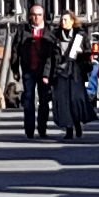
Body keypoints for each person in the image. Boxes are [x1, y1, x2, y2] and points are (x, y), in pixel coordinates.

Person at [15, 9, 58, 137]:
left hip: (44, 71)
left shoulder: (50, 31)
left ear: (43, 16)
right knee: (28, 100)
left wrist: (50, 73)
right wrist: (15, 69)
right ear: (30, 16)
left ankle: (42, 127)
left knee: (44, 100)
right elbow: (15, 50)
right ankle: (29, 129)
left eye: (39, 15)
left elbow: (54, 54)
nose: (36, 18)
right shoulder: (23, 31)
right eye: (33, 15)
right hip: (28, 70)